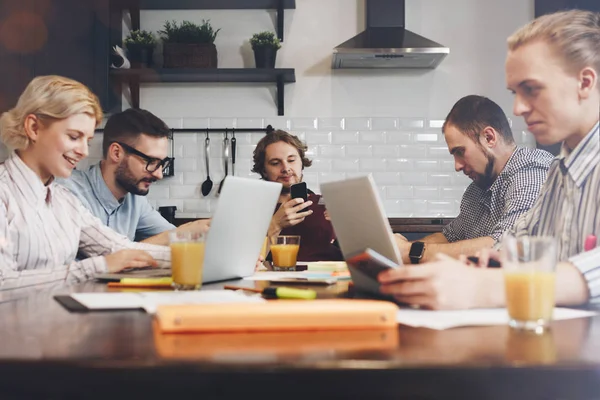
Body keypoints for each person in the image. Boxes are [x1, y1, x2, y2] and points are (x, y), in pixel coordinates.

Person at [378, 9, 600, 309]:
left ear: (585, 83)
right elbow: (516, 243)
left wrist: (488, 287)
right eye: (515, 92)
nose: (518, 108)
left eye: (531, 89)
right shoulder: (559, 172)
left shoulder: (537, 170)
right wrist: (493, 260)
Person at [0, 75, 170, 290]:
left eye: (87, 141)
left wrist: (195, 257)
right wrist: (98, 267)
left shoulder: (64, 201)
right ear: (34, 127)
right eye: (73, 137)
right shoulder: (4, 194)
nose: (83, 152)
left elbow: (117, 248)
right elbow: (2, 284)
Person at [395, 95, 553, 265]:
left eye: (460, 152)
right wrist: (400, 248)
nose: (457, 166)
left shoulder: (531, 170)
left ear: (489, 138)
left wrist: (409, 252)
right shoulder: (476, 191)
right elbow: (450, 237)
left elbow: (504, 247)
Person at [58, 108, 209, 245]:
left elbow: (175, 238)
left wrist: (195, 232)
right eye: (150, 161)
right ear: (116, 153)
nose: (159, 174)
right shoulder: (68, 192)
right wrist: (182, 232)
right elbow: (106, 256)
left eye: (162, 163)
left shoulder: (134, 200)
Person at [252, 130, 343, 261]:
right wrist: (275, 225)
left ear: (301, 163)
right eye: (275, 163)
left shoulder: (326, 203)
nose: (286, 168)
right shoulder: (252, 210)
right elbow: (247, 264)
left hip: (330, 277)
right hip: (277, 279)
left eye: (291, 160)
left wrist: (346, 229)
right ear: (264, 170)